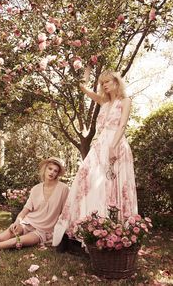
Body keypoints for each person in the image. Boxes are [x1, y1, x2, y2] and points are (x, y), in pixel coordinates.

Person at [52, 66, 138, 246]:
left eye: (107, 81)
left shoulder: (125, 101)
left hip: (116, 144)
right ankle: (89, 228)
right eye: (102, 83)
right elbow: (83, 88)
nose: (104, 85)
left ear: (116, 82)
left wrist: (113, 147)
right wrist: (87, 72)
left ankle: (115, 230)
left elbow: (122, 126)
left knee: (112, 184)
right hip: (100, 145)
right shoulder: (103, 102)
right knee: (86, 178)